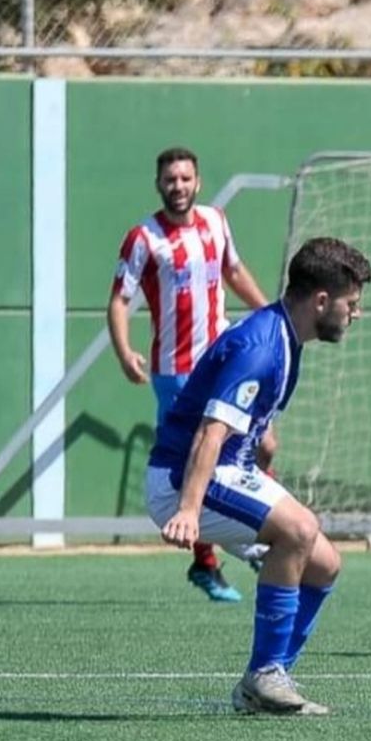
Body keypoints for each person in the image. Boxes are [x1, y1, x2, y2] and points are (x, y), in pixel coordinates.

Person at [147, 237, 371, 715]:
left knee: (325, 563)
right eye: (351, 304)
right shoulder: (262, 346)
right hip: (182, 478)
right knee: (299, 529)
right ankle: (265, 674)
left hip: (228, 468)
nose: (355, 314)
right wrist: (188, 510)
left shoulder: (285, 337)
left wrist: (262, 438)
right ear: (320, 301)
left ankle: (266, 682)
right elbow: (210, 431)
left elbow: (241, 416)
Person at [109, 146, 274, 603]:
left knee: (265, 444)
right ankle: (208, 561)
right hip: (175, 371)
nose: (177, 186)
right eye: (169, 179)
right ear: (158, 184)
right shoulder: (143, 237)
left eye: (185, 179)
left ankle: (257, 532)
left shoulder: (217, 222)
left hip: (225, 359)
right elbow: (120, 300)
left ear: (197, 182)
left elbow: (234, 271)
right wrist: (125, 352)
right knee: (194, 463)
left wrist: (271, 316)